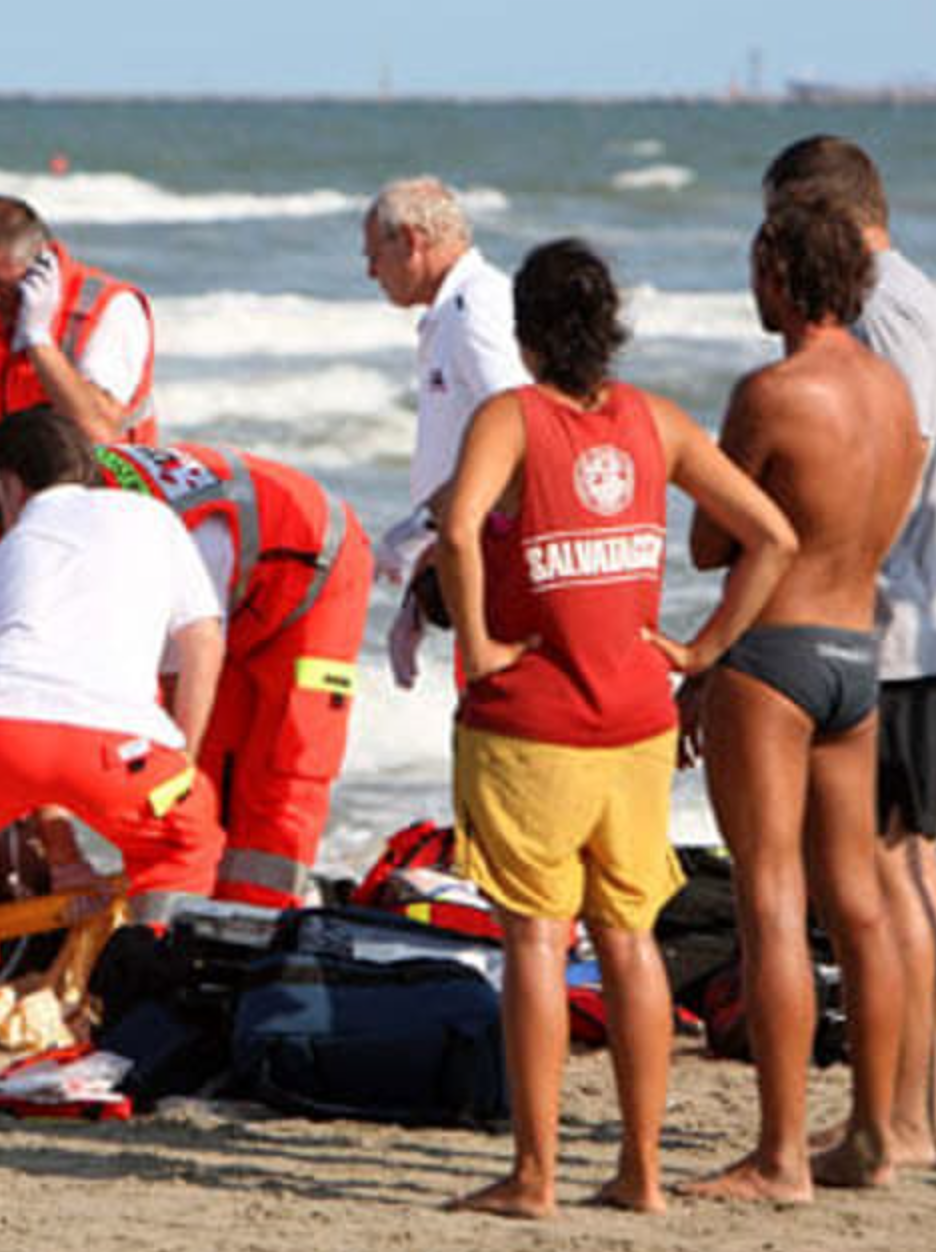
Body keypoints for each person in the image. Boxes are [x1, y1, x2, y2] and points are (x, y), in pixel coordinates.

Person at [439, 239, 795, 1218]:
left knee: (535, 940)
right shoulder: (657, 420)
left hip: (533, 721)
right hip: (637, 718)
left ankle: (534, 1176)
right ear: (610, 328)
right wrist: (701, 649)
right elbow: (772, 536)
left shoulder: (510, 417)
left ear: (524, 333)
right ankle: (639, 1171)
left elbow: (459, 527)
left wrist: (478, 644)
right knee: (628, 937)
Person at [683, 202, 924, 1200]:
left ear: (780, 274)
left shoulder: (772, 392)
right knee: (859, 902)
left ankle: (780, 1156)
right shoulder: (893, 398)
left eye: (756, 265)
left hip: (772, 655)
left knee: (771, 899)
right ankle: (873, 1130)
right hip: (855, 654)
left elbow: (709, 542)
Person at [0, 406, 226, 1021]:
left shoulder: (5, 555)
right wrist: (183, 759)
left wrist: (63, 854)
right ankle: (148, 1002)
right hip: (120, 750)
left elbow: (22, 716)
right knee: (183, 844)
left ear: (9, 483)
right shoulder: (152, 517)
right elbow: (203, 643)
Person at [764, 134, 936, 1172]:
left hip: (896, 624)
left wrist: (834, 566)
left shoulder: (883, 309)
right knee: (900, 871)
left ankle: (902, 1119)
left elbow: (900, 454)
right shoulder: (907, 296)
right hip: (900, 617)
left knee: (885, 875)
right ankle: (902, 1111)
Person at [92, 441, 373, 907]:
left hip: (318, 578)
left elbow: (180, 684)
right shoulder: (55, 509)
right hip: (242, 587)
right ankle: (190, 906)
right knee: (214, 766)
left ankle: (256, 920)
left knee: (284, 770)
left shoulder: (166, 542)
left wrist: (168, 786)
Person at [0, 195, 158, 613]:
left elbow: (100, 428)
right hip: (9, 556)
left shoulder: (107, 312)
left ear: (39, 267)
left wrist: (39, 341)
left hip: (93, 554)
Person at [362, 177, 529, 688]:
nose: (371, 272)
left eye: (374, 255)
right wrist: (422, 586)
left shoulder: (476, 309)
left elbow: (524, 433)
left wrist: (418, 530)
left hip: (500, 565)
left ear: (411, 241)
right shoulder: (451, 310)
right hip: (467, 556)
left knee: (494, 712)